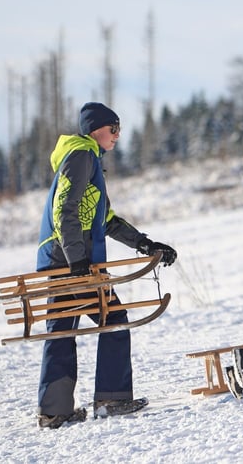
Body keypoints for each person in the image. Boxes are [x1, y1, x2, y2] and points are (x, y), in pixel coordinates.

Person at [35, 102, 178, 429]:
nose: (117, 135)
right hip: (72, 262)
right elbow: (64, 212)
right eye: (113, 129)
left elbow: (106, 220)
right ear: (95, 130)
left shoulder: (86, 160)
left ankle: (55, 411)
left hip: (66, 260)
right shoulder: (83, 156)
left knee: (62, 329)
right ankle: (110, 399)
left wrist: (144, 243)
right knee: (112, 318)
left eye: (119, 129)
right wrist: (78, 261)